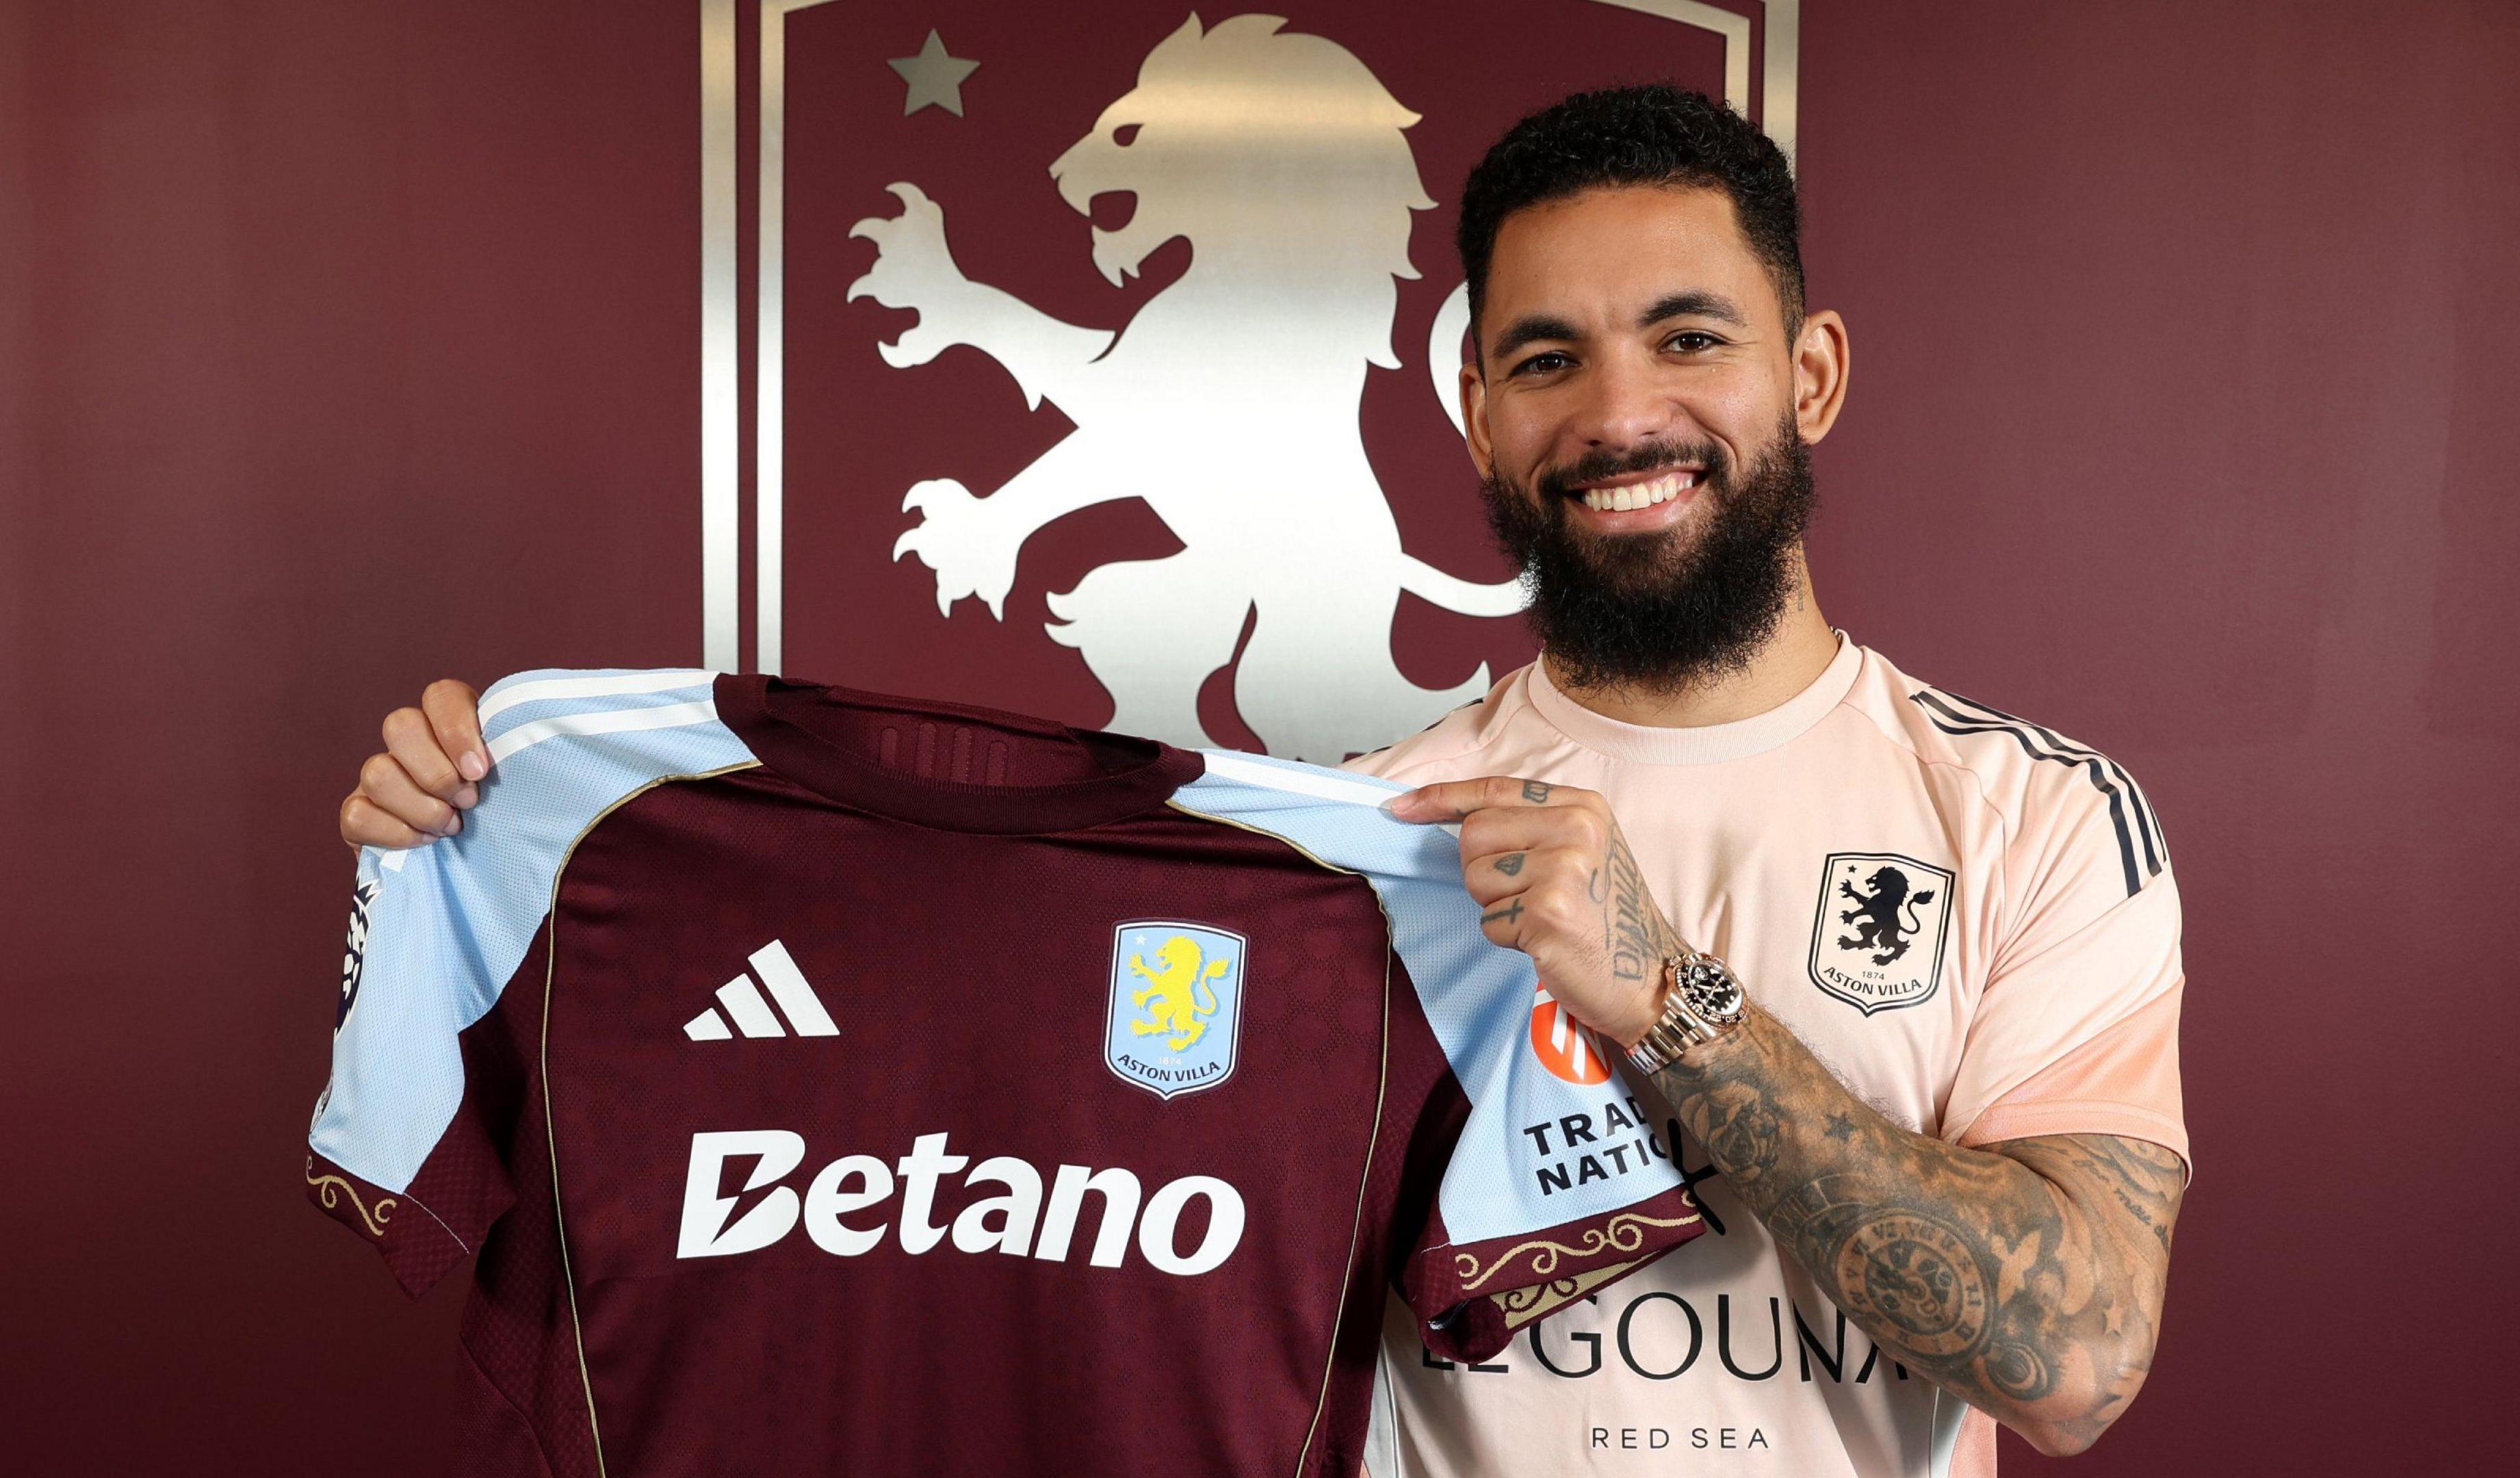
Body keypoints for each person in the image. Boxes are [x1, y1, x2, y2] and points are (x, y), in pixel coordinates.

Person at [341, 85, 2185, 1478]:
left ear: (1815, 371)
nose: (1620, 414)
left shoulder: (2030, 819)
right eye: (1548, 359)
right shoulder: (1348, 848)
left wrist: (1673, 1001)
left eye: (1687, 338)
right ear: (1475, 408)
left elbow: (2078, 1360)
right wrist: (483, 823)